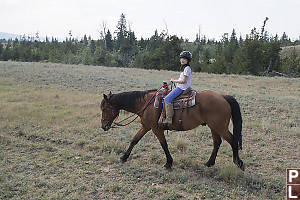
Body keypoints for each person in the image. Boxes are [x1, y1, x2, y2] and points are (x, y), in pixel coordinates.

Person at [163, 51, 192, 125]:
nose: (182, 60)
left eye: (185, 59)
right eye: (181, 58)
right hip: (182, 87)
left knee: (167, 99)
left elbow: (184, 81)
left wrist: (174, 80)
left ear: (188, 60)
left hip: (182, 88)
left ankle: (169, 119)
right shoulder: (185, 68)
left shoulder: (187, 69)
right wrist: (175, 80)